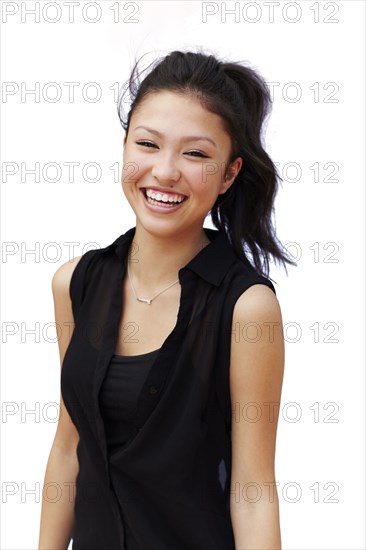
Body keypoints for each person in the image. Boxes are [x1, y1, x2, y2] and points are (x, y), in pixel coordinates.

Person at [38, 49, 295, 550]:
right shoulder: (75, 284)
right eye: (148, 144)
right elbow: (68, 448)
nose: (165, 171)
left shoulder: (245, 307)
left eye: (196, 154)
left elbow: (253, 487)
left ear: (228, 174)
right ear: (125, 147)